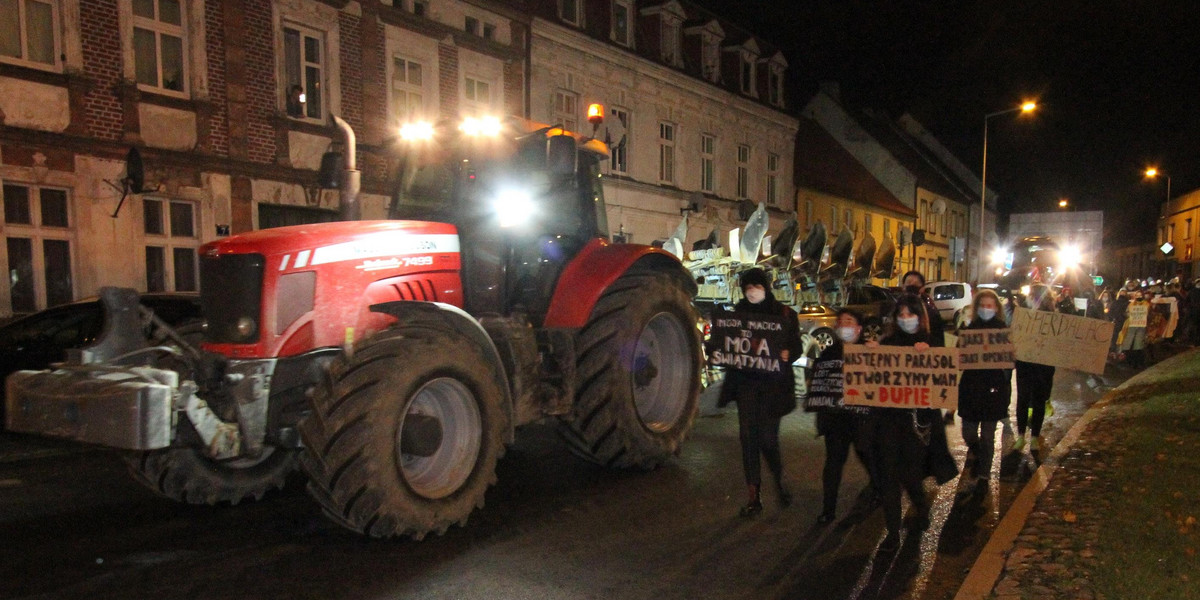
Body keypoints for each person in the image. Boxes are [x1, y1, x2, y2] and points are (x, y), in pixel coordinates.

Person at [714, 268, 803, 517]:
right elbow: (725, 343)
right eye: (748, 287)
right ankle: (754, 497)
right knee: (748, 439)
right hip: (746, 386)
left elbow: (795, 345)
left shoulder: (784, 314)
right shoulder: (737, 316)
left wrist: (788, 353)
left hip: (773, 388)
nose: (752, 291)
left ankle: (779, 477)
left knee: (767, 438)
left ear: (766, 288)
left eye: (757, 286)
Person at [862, 294, 944, 550]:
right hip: (886, 423)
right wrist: (871, 354)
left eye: (911, 314)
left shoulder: (931, 344)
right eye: (902, 315)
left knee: (910, 477)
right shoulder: (887, 343)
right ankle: (893, 532)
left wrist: (927, 356)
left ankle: (920, 507)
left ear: (920, 317)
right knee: (888, 479)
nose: (906, 319)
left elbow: (940, 384)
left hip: (914, 425)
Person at [803, 308, 876, 524]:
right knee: (833, 463)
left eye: (849, 321)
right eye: (841, 321)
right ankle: (828, 509)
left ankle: (879, 490)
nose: (844, 325)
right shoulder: (828, 354)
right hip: (836, 420)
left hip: (862, 419)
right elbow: (819, 382)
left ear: (859, 328)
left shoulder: (870, 352)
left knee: (869, 458)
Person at [956, 288, 1012, 496]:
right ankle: (977, 453)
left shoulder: (1004, 332)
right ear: (976, 308)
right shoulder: (969, 330)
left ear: (996, 308)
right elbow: (957, 358)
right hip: (970, 390)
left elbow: (1010, 364)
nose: (986, 309)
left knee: (988, 436)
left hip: (993, 392)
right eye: (982, 305)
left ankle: (983, 476)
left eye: (990, 306)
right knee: (968, 432)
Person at [1013, 285, 1056, 454]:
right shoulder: (1023, 314)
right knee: (1023, 399)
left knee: (1038, 400)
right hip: (1025, 364)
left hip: (1043, 365)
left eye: (1032, 295)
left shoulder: (1053, 318)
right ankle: (1022, 436)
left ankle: (1034, 438)